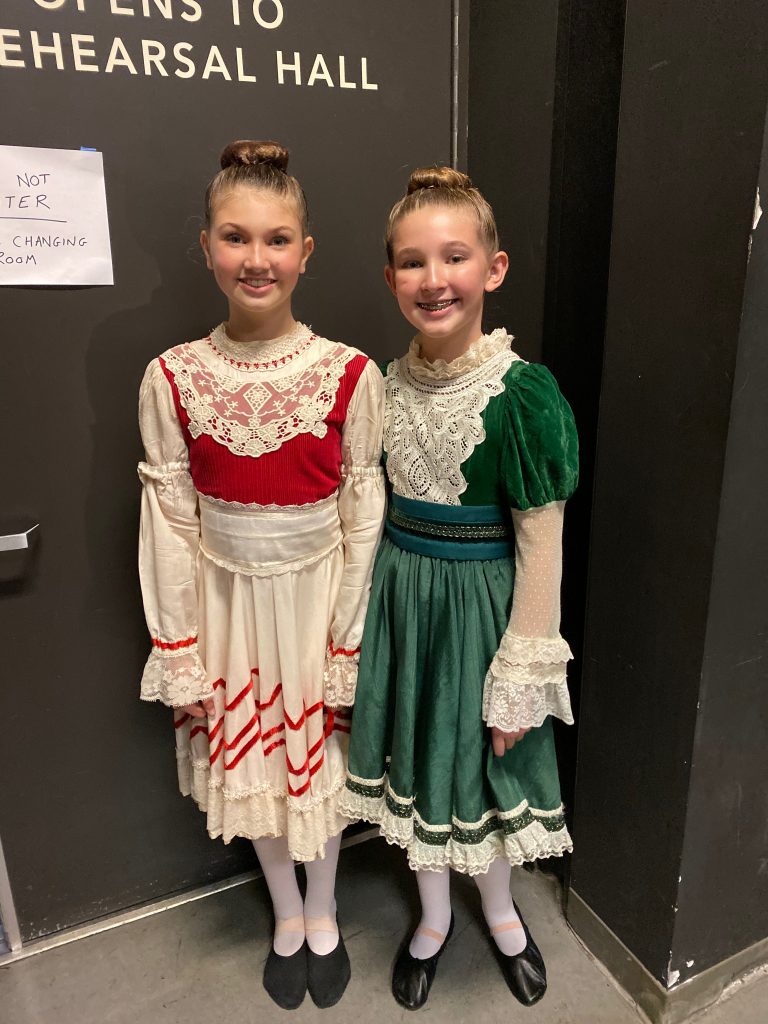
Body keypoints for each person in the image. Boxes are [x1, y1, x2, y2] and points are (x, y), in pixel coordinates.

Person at [137, 140, 385, 1010]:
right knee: (255, 773)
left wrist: (347, 639)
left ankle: (326, 906)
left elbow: (363, 518)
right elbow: (171, 523)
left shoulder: (349, 374)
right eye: (236, 237)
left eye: (277, 239)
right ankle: (286, 909)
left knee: (318, 770)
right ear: (206, 246)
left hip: (317, 605)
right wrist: (179, 646)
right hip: (227, 609)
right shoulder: (172, 377)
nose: (257, 258)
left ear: (305, 252)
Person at [339, 166, 578, 1010]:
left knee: (483, 765)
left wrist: (522, 671)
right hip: (405, 605)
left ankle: (502, 910)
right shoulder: (381, 386)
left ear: (493, 268)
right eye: (412, 262)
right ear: (390, 277)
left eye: (454, 257)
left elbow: (541, 545)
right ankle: (434, 916)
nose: (433, 279)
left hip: (482, 611)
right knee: (419, 758)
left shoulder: (522, 394)